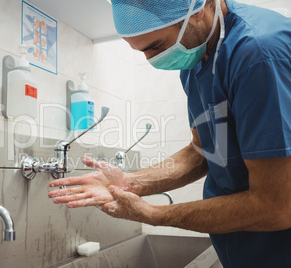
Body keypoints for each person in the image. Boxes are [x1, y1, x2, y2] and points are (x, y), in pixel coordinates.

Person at [48, 0, 291, 267]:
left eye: (155, 46)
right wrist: (131, 182)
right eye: (140, 51)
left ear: (198, 10)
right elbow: (201, 151)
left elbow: (276, 205)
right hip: (242, 249)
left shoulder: (259, 54)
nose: (151, 60)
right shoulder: (195, 57)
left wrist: (152, 214)